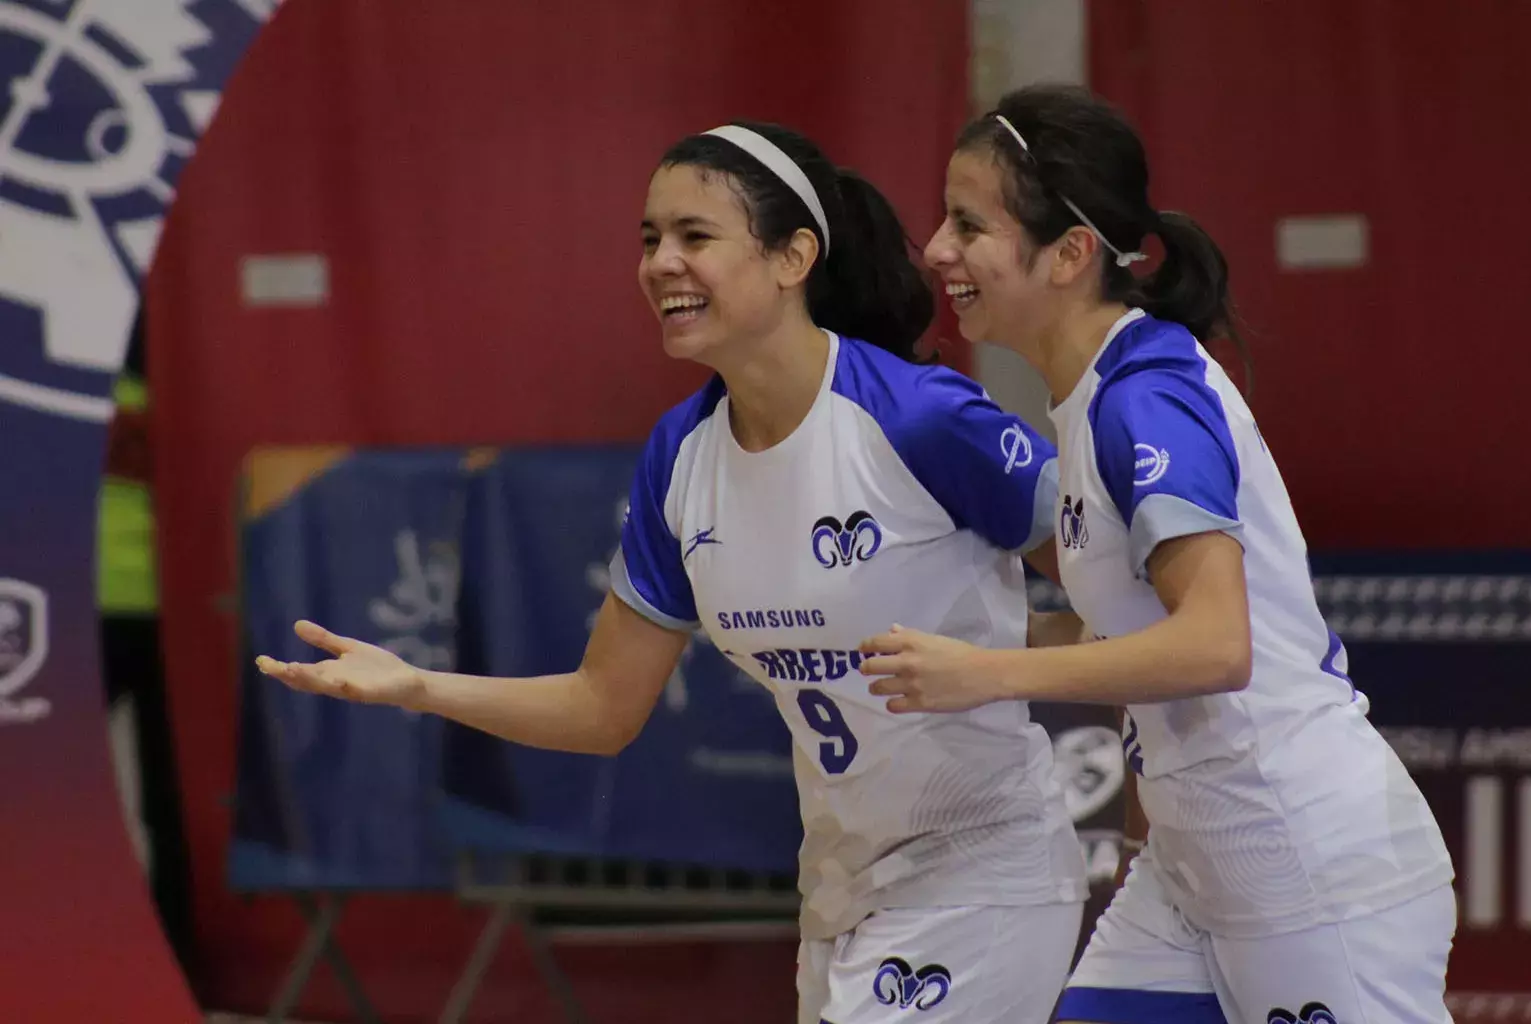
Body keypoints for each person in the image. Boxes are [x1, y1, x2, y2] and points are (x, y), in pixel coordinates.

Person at [256, 120, 1089, 1024]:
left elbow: (1121, 596)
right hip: (843, 886)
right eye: (650, 240)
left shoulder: (921, 419)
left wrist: (1015, 657)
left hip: (983, 868)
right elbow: (602, 707)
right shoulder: (681, 456)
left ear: (792, 256)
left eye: (695, 236)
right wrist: (419, 685)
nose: (661, 263)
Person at [858, 84, 1458, 1024]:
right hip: (1192, 869)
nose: (936, 249)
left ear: (1070, 253)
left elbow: (1216, 648)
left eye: (968, 225)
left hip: (1309, 864)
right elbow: (1139, 655)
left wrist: (986, 672)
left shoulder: (1147, 397)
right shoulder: (1091, 399)